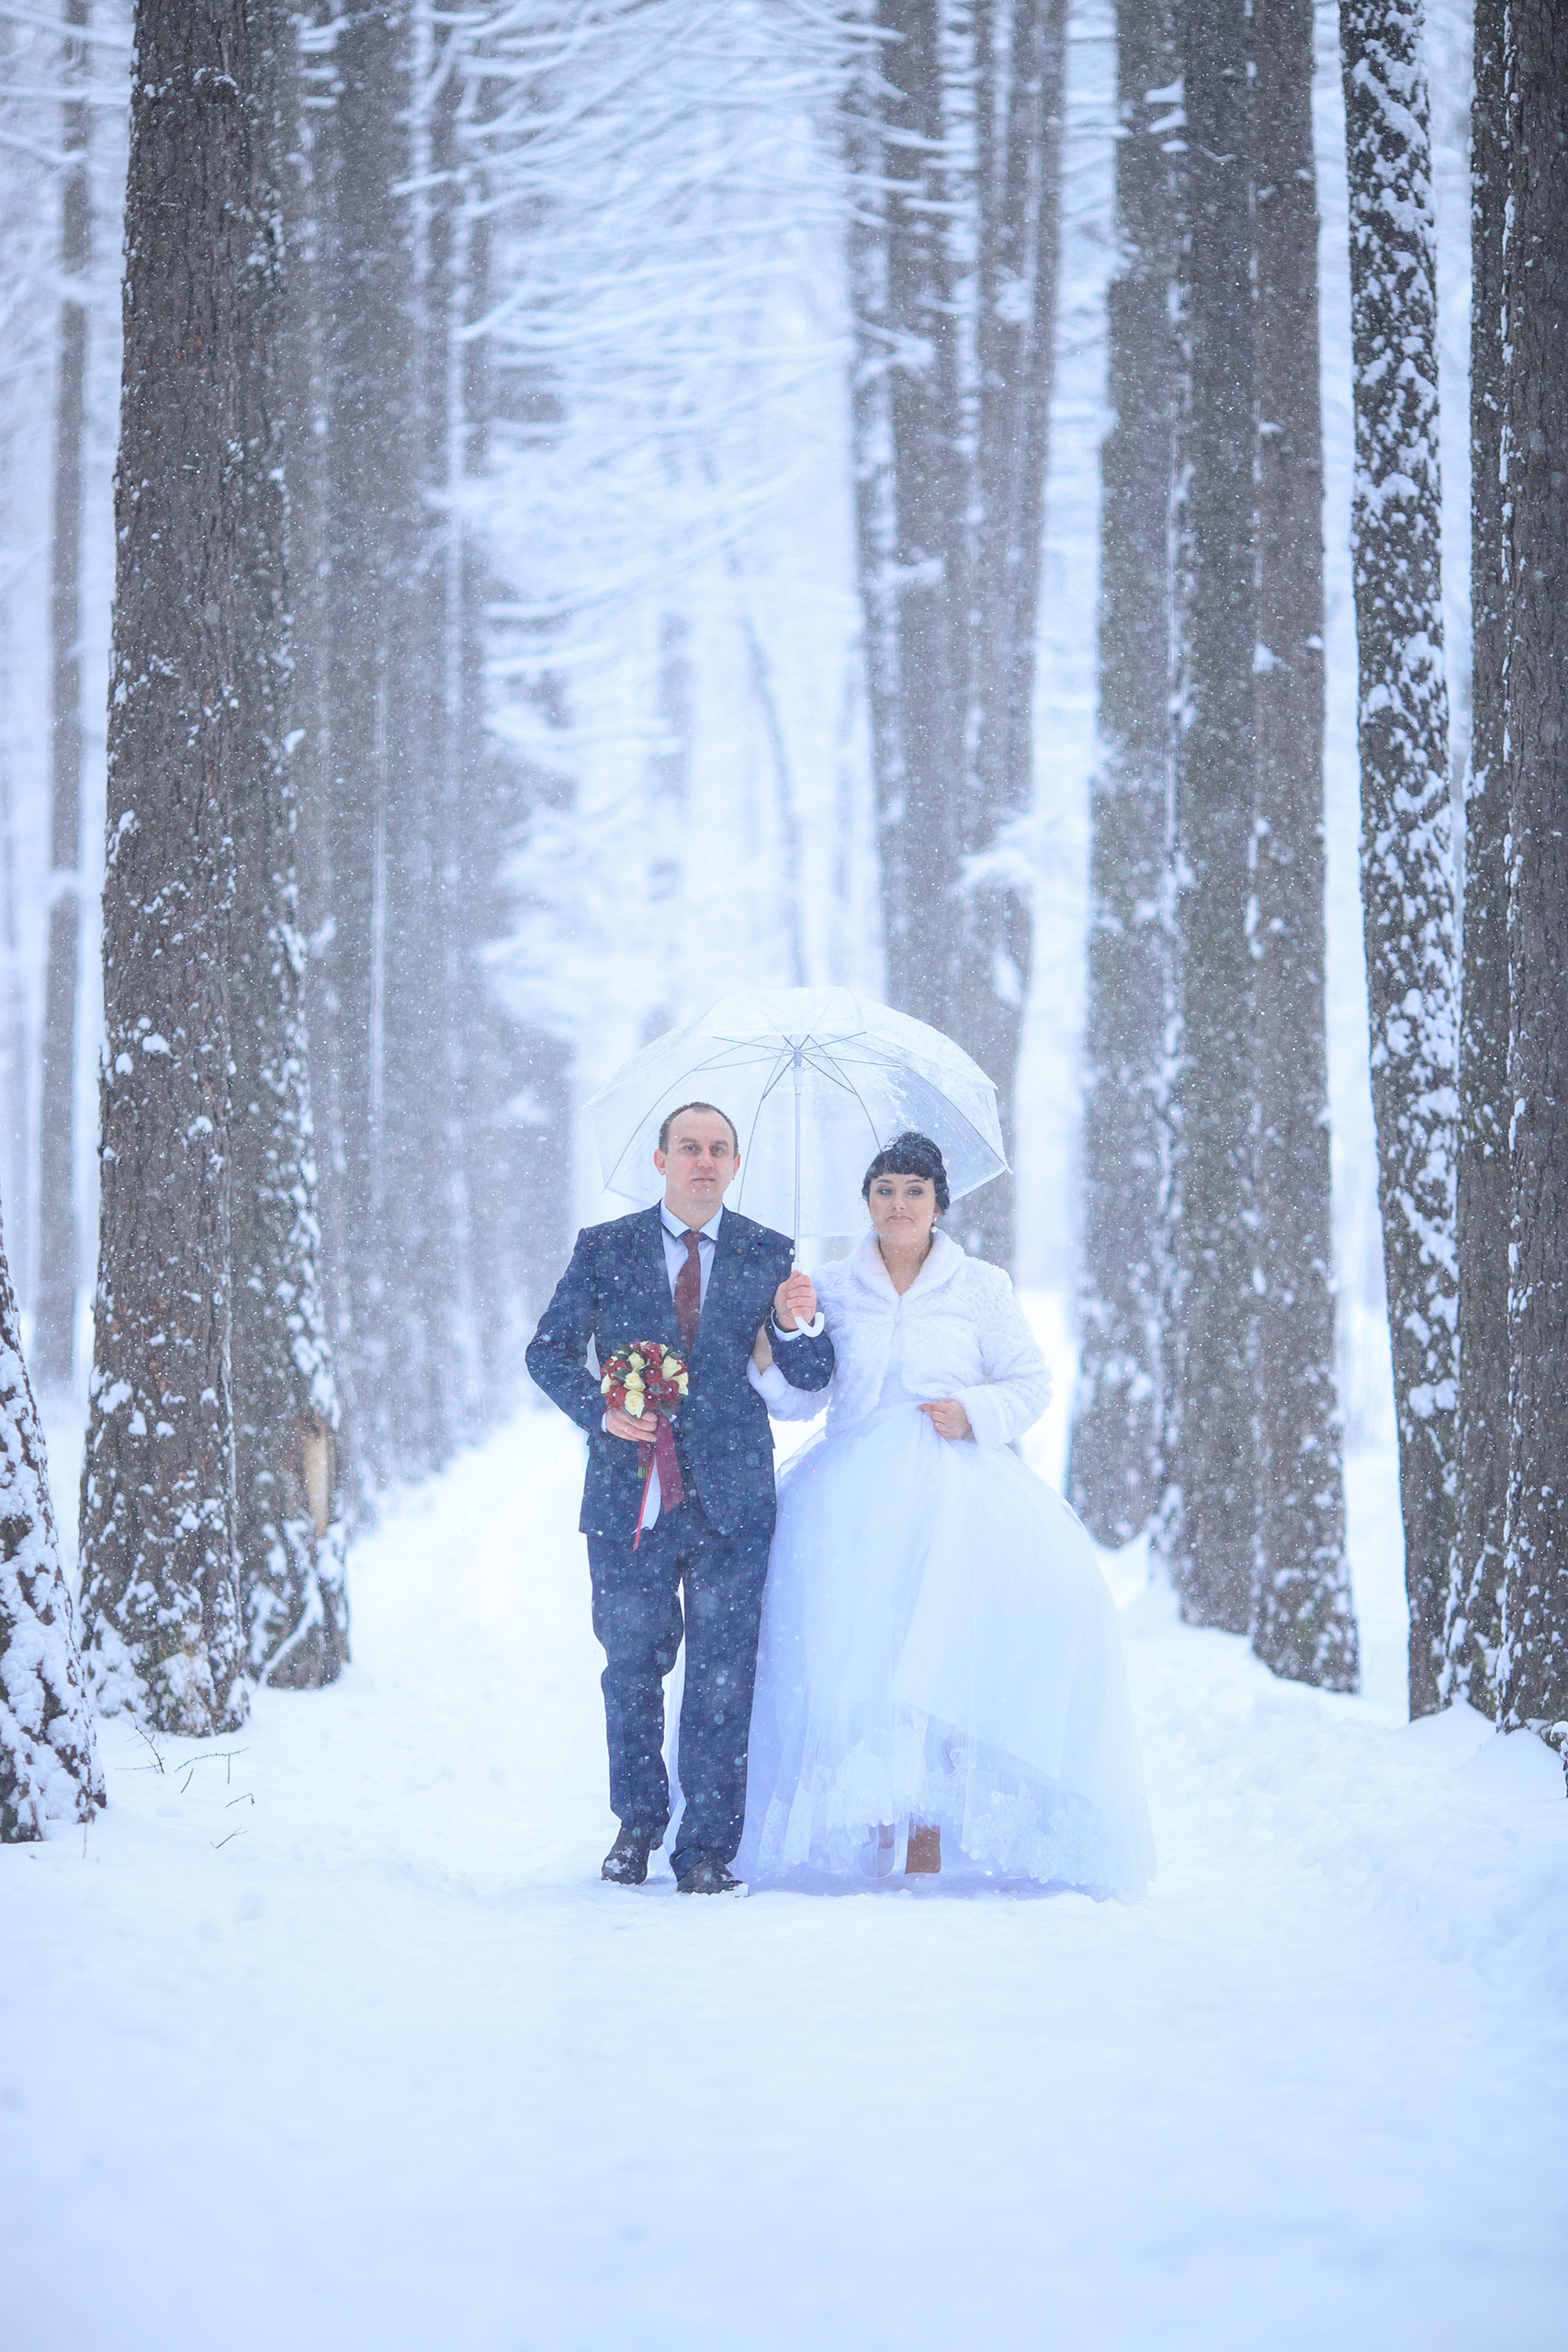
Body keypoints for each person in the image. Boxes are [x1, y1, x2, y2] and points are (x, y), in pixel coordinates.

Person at [739, 1131, 1155, 1896]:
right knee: (856, 1657)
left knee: (936, 1656)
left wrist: (973, 1410)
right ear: (865, 1200)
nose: (898, 1204)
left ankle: (928, 1835)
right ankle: (873, 1826)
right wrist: (782, 1336)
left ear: (938, 1204)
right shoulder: (826, 1286)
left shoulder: (980, 1288)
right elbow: (799, 1402)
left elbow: (1030, 1383)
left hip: (957, 1494)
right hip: (847, 1500)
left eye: (914, 1191)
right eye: (884, 1189)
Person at [526, 1102, 834, 1894]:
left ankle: (705, 1850)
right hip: (627, 1498)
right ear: (660, 1160)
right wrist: (600, 1406)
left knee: (723, 1676)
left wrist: (799, 1326)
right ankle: (635, 1826)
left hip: (734, 1499)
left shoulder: (771, 1254)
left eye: (719, 1149)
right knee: (631, 1666)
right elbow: (549, 1350)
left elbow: (806, 1376)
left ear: (735, 1165)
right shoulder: (605, 1249)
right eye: (689, 1147)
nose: (704, 1161)